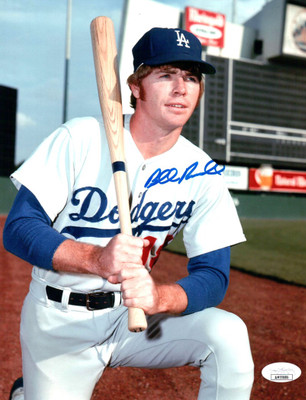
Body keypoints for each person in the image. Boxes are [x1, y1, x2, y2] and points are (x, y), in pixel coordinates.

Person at [4, 27, 254, 400]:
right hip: (59, 321)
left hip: (133, 318)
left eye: (191, 77)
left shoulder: (203, 172)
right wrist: (94, 258)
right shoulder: (82, 137)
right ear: (136, 87)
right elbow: (19, 227)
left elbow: (214, 276)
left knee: (227, 334)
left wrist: (160, 298)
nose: (181, 88)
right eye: (166, 74)